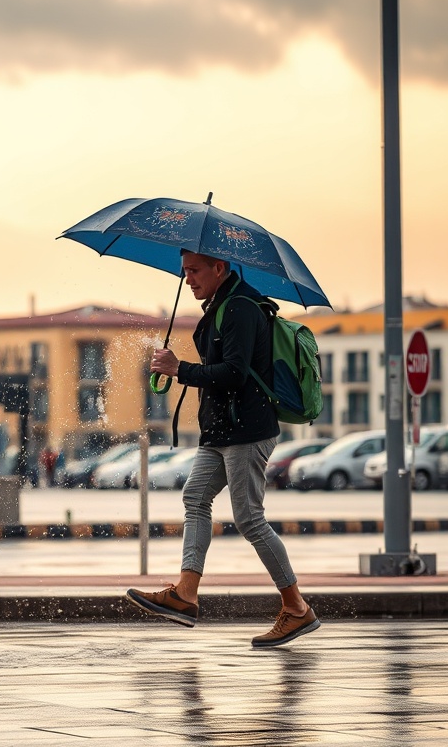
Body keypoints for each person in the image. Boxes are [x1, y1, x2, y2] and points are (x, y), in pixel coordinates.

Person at [126, 250, 320, 647]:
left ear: (219, 268)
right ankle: (186, 593)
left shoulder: (241, 308)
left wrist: (179, 368)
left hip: (246, 430)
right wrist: (178, 368)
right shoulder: (220, 306)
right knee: (195, 497)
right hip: (220, 430)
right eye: (185, 272)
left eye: (195, 271)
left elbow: (234, 373)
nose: (189, 279)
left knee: (249, 519)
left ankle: (296, 607)